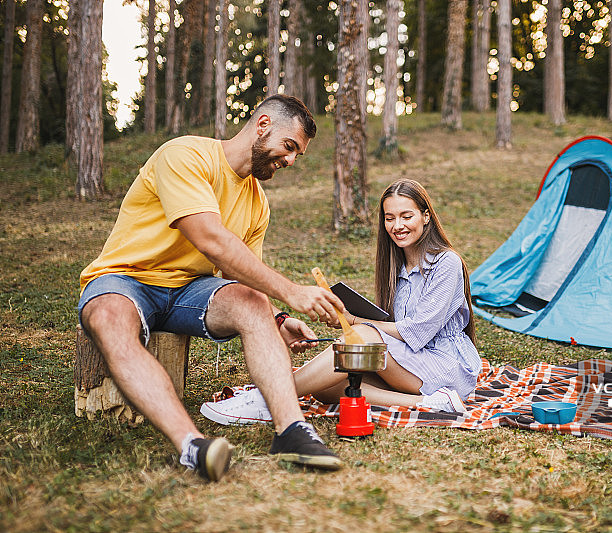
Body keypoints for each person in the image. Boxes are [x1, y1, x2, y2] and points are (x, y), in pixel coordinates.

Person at [78, 95, 346, 482]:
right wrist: (292, 292)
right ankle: (192, 445)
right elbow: (210, 239)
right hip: (126, 278)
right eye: (289, 147)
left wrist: (279, 317)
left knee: (252, 301)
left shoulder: (257, 203)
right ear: (263, 123)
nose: (290, 161)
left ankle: (291, 431)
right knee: (107, 317)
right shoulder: (185, 155)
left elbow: (242, 276)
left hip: (188, 289)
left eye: (297, 156)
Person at [201, 178, 482, 425]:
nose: (397, 226)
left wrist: (356, 322)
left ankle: (268, 397)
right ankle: (428, 403)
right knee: (328, 385)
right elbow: (394, 328)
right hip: (413, 364)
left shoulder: (447, 263)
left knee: (361, 336)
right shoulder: (397, 266)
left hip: (446, 366)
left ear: (426, 217)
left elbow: (417, 331)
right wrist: (353, 320)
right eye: (389, 218)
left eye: (406, 216)